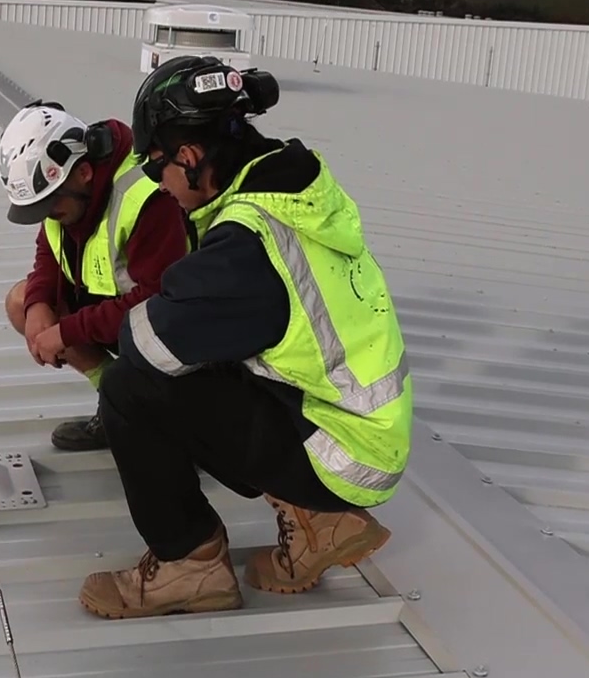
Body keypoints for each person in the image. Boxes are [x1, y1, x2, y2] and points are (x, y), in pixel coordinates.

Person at [77, 56, 414, 619]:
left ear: (188, 158)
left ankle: (190, 566)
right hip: (365, 435)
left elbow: (147, 344)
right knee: (207, 362)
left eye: (158, 171)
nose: (161, 188)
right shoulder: (291, 184)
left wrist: (118, 315)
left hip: (342, 455)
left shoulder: (246, 245)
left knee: (129, 387)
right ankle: (318, 522)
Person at [0, 100, 189, 451]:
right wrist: (39, 304)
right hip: (119, 314)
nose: (49, 215)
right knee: (21, 302)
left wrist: (67, 332)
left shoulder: (147, 195)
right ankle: (119, 406)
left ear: (84, 172)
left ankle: (178, 426)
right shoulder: (66, 198)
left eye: (50, 205)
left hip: (172, 325)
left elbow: (159, 299)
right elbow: (49, 253)